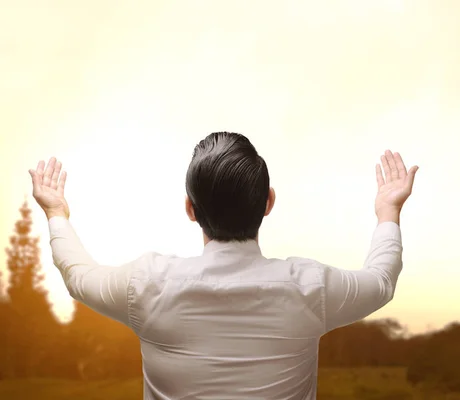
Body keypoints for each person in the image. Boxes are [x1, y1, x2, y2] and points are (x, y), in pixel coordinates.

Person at [28, 131, 418, 400]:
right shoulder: (310, 288)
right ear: (268, 202)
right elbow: (381, 281)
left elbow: (78, 277)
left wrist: (56, 213)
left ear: (189, 209)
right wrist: (389, 210)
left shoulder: (146, 285)